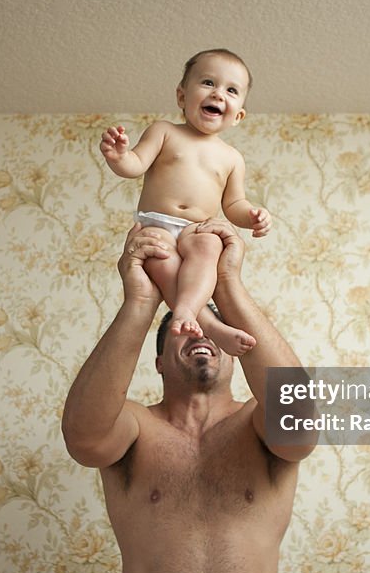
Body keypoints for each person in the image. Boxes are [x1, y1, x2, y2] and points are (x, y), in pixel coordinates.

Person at [62, 219, 317, 573]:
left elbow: (300, 425)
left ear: (236, 354)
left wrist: (226, 282)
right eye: (185, 329)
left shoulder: (258, 422)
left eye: (213, 328)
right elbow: (83, 440)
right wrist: (141, 302)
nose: (200, 331)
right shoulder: (134, 425)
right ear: (160, 361)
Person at [100, 48, 271, 358]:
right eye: (208, 82)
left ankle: (188, 311)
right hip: (157, 224)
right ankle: (205, 322)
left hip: (196, 229)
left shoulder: (232, 158)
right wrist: (120, 156)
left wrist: (253, 216)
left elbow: (234, 205)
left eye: (231, 90)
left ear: (239, 115)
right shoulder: (164, 132)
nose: (218, 94)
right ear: (181, 96)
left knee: (210, 248)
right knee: (162, 259)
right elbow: (135, 165)